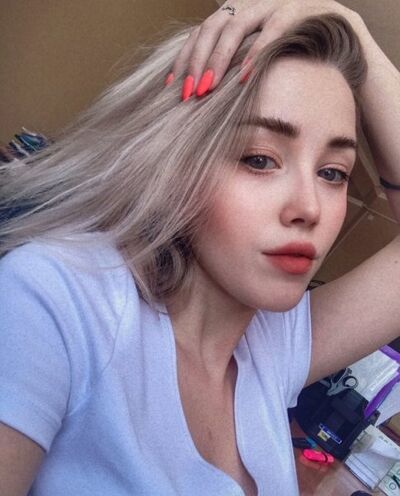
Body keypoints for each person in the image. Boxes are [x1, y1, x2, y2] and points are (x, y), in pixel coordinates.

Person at [0, 1, 399, 494]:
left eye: (333, 172)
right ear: (174, 163)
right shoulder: (58, 300)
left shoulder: (272, 346)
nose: (309, 207)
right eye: (259, 159)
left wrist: (352, 28)